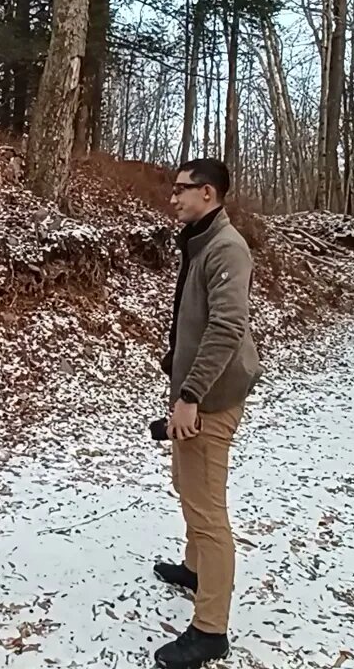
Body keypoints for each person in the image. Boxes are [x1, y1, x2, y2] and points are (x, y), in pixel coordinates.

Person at [153, 157, 262, 669]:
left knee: (207, 510)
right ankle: (195, 570)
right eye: (173, 188)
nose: (173, 196)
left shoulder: (226, 247)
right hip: (196, 387)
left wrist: (190, 394)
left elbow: (227, 328)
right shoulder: (201, 238)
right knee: (187, 484)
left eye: (182, 189)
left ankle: (210, 629)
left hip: (212, 396)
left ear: (209, 194)